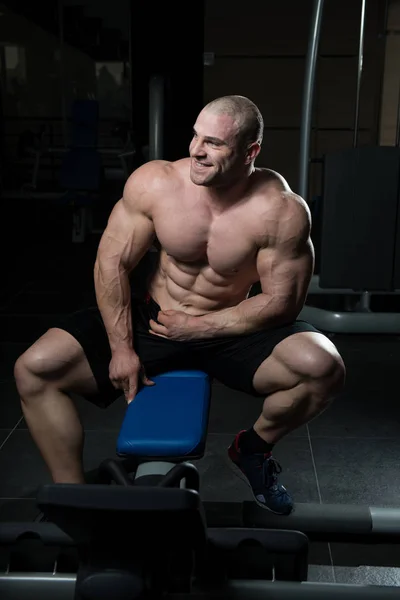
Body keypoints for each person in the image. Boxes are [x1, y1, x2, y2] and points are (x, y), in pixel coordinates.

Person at [14, 95, 345, 515]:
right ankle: (74, 499)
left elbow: (282, 302)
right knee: (35, 368)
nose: (196, 151)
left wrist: (202, 327)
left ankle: (253, 449)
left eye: (214, 143)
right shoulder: (156, 184)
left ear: (251, 152)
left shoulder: (280, 211)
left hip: (230, 327)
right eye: (195, 136)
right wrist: (120, 348)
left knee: (324, 369)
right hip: (154, 319)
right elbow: (110, 263)